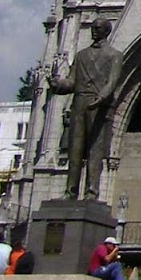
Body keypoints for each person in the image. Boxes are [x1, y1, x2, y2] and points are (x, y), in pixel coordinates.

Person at [49, 17, 124, 201]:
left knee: (95, 150)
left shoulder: (114, 55)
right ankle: (70, 191)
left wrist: (102, 97)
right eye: (92, 27)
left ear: (106, 31)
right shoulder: (81, 55)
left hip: (97, 105)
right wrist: (58, 84)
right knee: (75, 149)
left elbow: (113, 81)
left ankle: (92, 192)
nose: (93, 31)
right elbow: (72, 81)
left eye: (97, 28)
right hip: (79, 104)